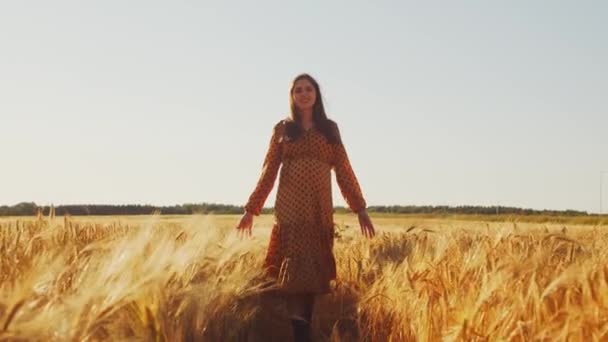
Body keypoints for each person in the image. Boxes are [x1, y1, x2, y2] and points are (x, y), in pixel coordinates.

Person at [236, 73, 375, 342]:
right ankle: (301, 335)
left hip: (319, 211)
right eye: (298, 90)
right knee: (292, 280)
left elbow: (344, 170)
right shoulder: (283, 130)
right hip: (290, 211)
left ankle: (304, 330)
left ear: (316, 94)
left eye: (308, 89)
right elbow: (268, 171)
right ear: (292, 96)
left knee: (312, 281)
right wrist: (251, 210)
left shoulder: (329, 129)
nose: (303, 94)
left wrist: (360, 208)